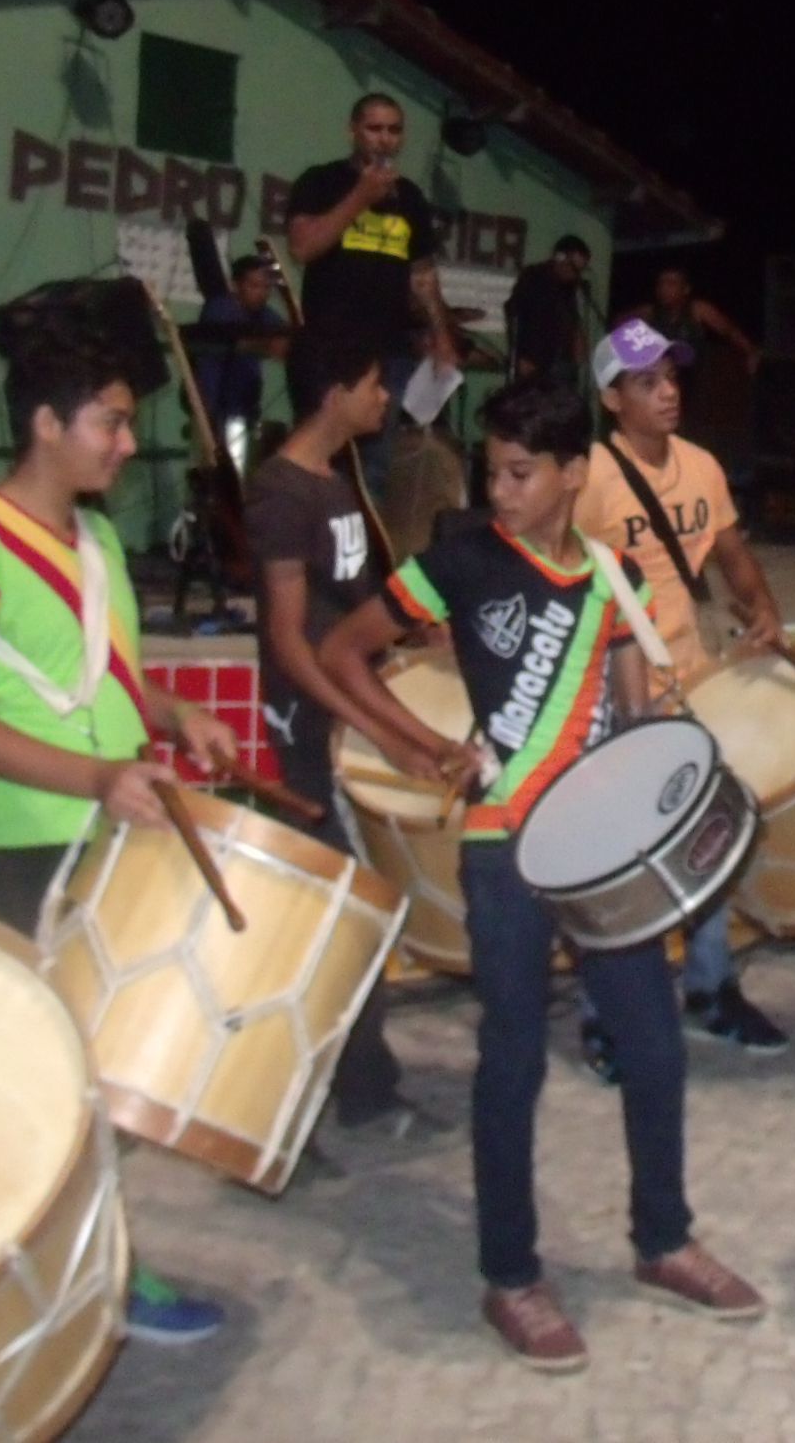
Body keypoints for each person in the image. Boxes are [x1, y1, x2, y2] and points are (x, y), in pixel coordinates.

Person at [322, 380, 763, 1372]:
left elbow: (633, 713)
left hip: (599, 850)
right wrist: (419, 744)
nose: (501, 490)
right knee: (512, 1062)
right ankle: (511, 1275)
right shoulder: (461, 561)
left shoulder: (613, 575)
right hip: (503, 844)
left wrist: (668, 786)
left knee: (655, 1047)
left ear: (573, 474)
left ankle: (664, 1239)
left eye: (521, 473)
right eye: (493, 471)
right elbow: (344, 650)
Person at [0, 312, 245, 1345]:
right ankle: (5, 1289)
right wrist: (99, 775)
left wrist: (172, 714)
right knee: (16, 1091)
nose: (127, 443)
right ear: (46, 425)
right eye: (109, 421)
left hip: (102, 841)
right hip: (6, 855)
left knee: (90, 1082)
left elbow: (100, 679)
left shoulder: (95, 539)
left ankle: (94, 1270)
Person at [574, 318, 789, 1061]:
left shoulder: (701, 466)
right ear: (611, 399)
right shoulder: (587, 478)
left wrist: (762, 605)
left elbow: (732, 556)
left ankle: (709, 988)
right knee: (618, 863)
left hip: (694, 680)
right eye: (647, 382)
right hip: (614, 692)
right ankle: (605, 1015)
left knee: (707, 840)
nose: (668, 393)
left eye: (671, 378)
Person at [245, 323, 432, 1142]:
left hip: (343, 712)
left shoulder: (333, 477)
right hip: (307, 726)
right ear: (334, 395)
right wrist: (374, 728)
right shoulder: (281, 492)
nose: (385, 397)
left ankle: (357, 1087)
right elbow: (290, 640)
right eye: (373, 384)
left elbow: (348, 603)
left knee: (354, 914)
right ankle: (316, 1098)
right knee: (338, 917)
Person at [284, 92, 458, 482]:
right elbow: (302, 247)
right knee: (320, 458)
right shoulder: (322, 181)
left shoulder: (409, 197)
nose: (384, 139)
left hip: (389, 351)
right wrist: (360, 196)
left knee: (376, 466)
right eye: (374, 128)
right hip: (329, 350)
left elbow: (423, 274)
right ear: (353, 131)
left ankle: (365, 524)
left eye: (394, 130)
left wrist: (441, 336)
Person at [193, 253, 285, 471]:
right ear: (236, 284)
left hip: (244, 407)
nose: (261, 293)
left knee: (240, 468)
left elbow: (284, 339)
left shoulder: (263, 314)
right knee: (213, 471)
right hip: (213, 405)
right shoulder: (220, 308)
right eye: (254, 286)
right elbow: (237, 341)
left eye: (266, 287)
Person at [636, 263, 761, 376]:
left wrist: (750, 351)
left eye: (671, 283)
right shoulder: (647, 312)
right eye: (661, 283)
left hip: (693, 375)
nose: (664, 288)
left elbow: (729, 330)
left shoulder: (698, 309)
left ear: (686, 289)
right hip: (662, 375)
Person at [505, 235, 591, 389]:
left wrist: (578, 339)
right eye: (574, 267)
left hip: (562, 364)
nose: (576, 273)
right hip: (534, 362)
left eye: (580, 269)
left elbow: (572, 319)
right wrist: (519, 355)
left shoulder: (569, 287)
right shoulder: (534, 276)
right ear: (560, 257)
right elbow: (513, 313)